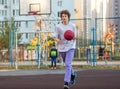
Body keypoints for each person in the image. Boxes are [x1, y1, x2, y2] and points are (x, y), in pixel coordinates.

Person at [55, 10, 77, 89]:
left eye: (65, 16)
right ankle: (73, 74)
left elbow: (75, 37)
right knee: (67, 64)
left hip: (71, 47)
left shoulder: (73, 26)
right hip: (62, 47)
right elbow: (56, 37)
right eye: (62, 16)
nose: (64, 17)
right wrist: (58, 40)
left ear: (68, 17)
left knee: (68, 64)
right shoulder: (58, 26)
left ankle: (66, 83)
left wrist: (72, 37)